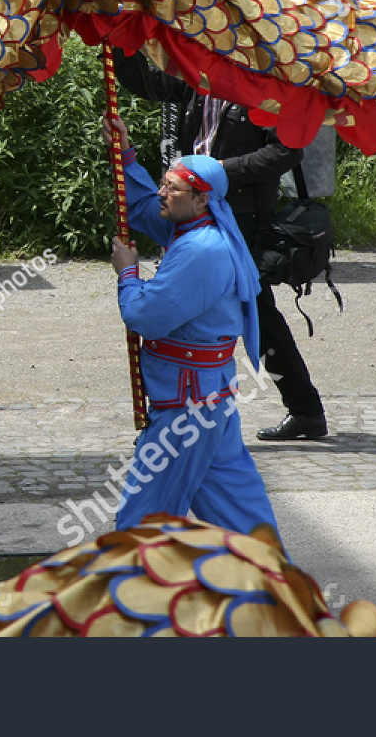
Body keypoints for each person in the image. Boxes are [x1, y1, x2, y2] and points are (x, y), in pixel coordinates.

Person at [113, 50, 329, 442]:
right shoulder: (202, 75)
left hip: (240, 219)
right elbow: (145, 82)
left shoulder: (269, 84)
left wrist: (216, 175)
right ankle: (180, 415)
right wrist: (117, 40)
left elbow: (285, 150)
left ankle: (299, 411)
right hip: (191, 205)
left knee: (256, 313)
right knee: (234, 311)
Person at [104, 115, 280, 540]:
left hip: (185, 407)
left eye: (173, 188)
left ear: (201, 200)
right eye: (165, 183)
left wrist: (128, 273)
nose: (163, 193)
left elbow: (144, 315)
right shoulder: (194, 226)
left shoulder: (202, 250)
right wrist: (124, 153)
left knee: (142, 523)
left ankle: (132, 601)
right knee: (240, 518)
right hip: (209, 400)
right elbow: (144, 207)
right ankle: (273, 592)